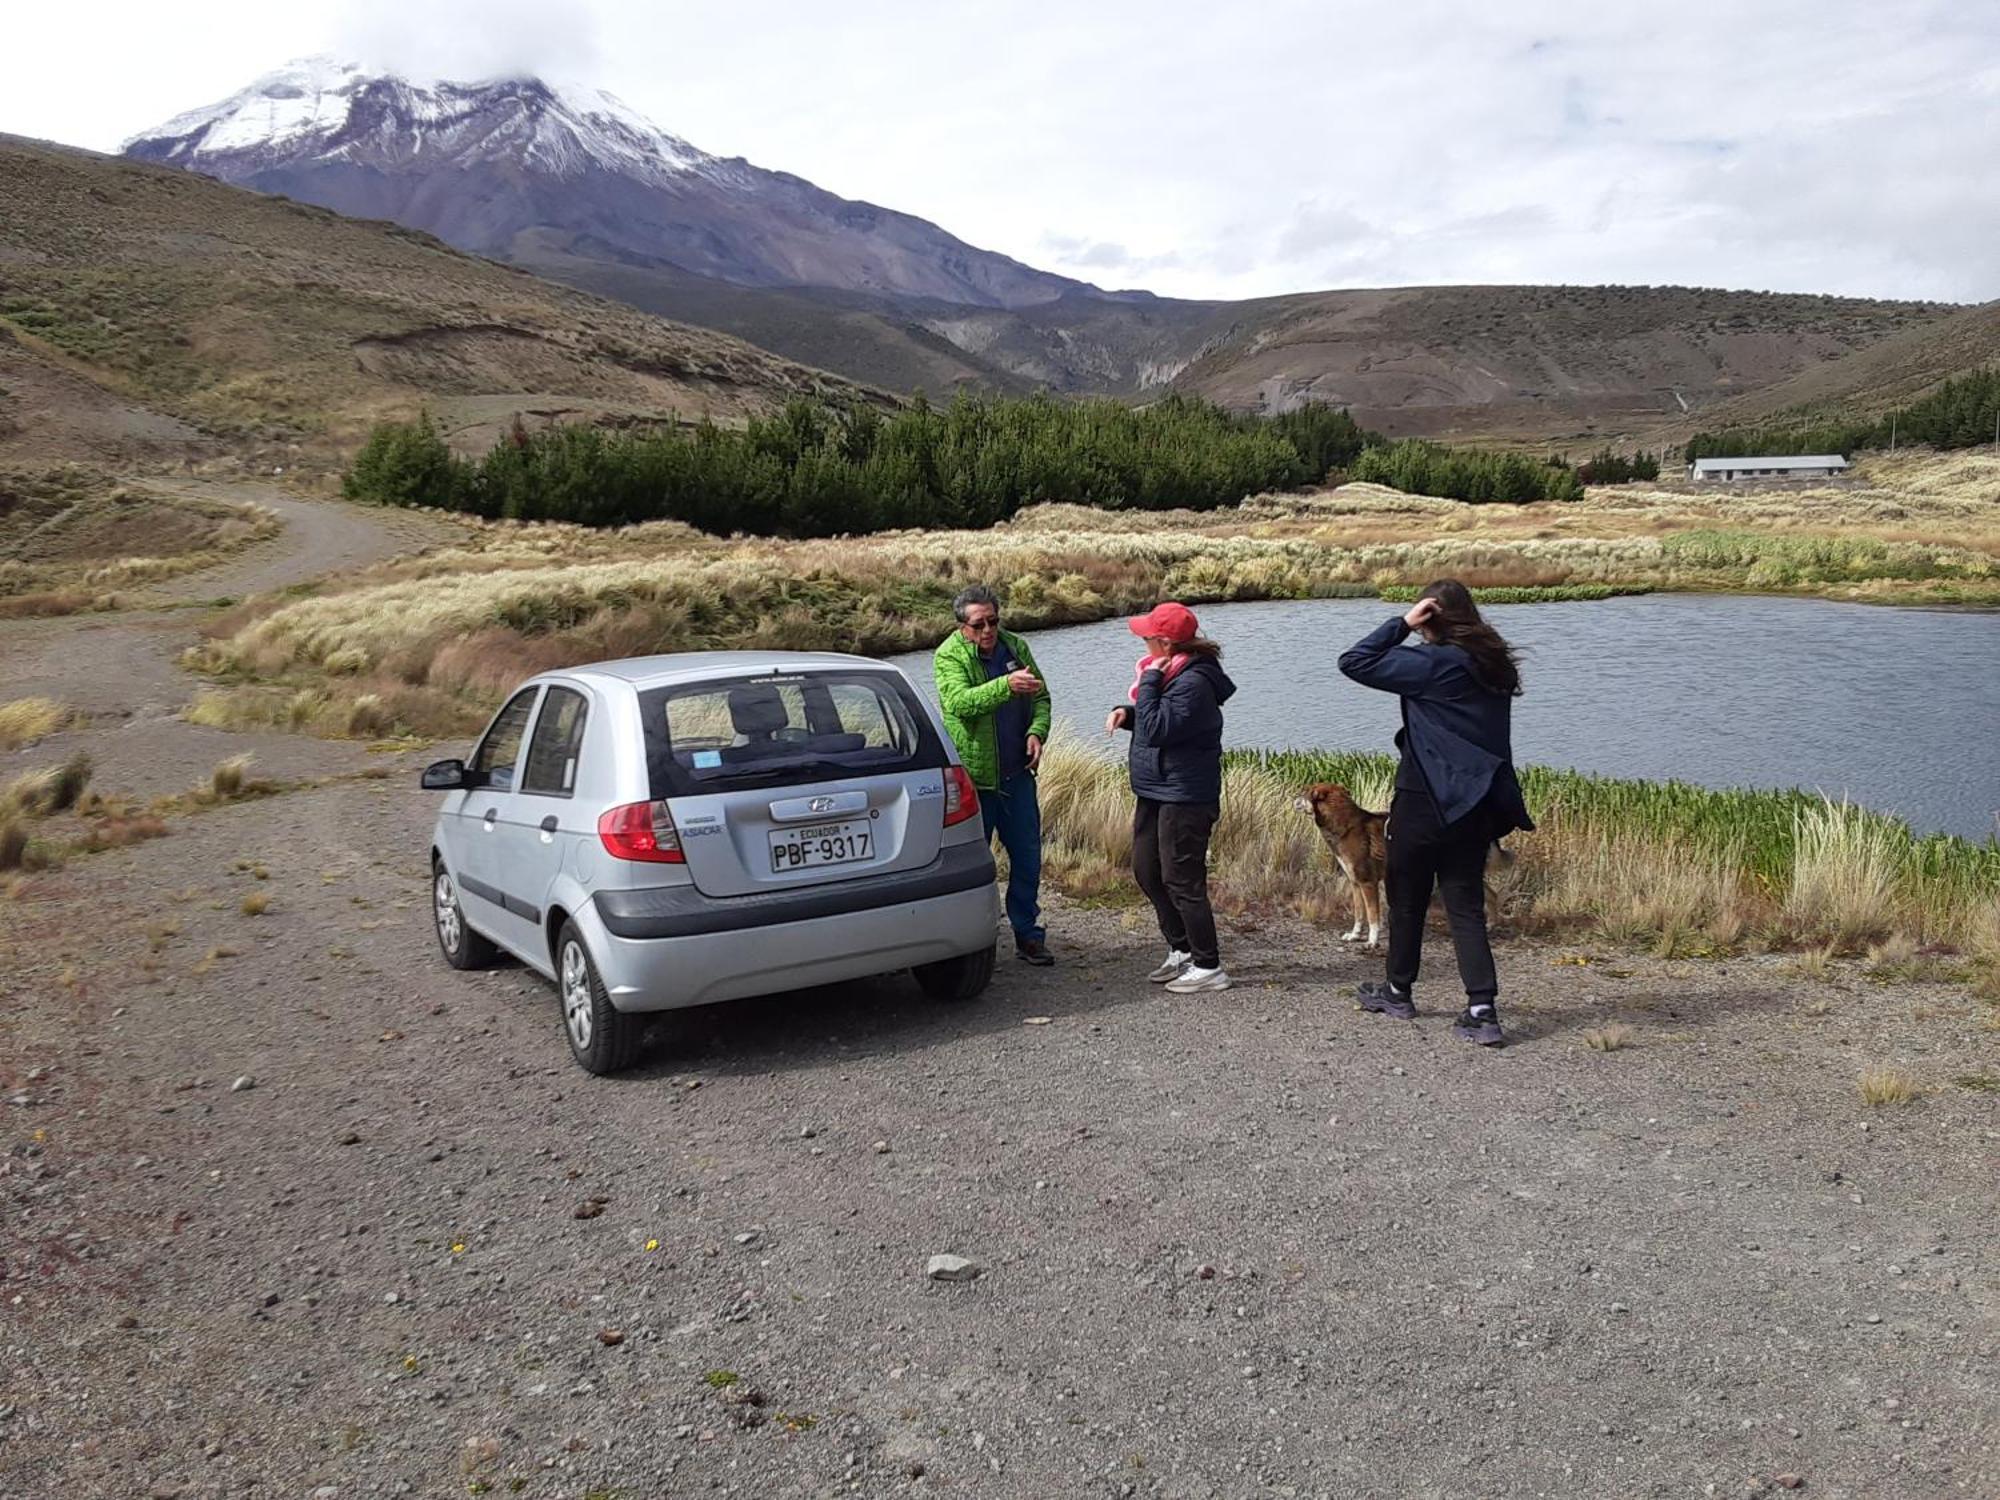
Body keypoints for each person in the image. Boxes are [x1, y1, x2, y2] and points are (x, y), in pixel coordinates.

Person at [1337, 579, 1535, 1046]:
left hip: (1423, 799)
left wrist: (1401, 625)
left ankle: (1398, 991)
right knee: (1464, 904)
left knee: (1407, 898)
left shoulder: (1434, 663)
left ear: (1431, 616)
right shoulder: (1493, 665)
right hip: (1475, 802)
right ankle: (1482, 1010)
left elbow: (1354, 662)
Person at [1105, 601, 1237, 994]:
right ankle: (1181, 950)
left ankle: (1208, 965)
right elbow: (1156, 721)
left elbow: (1161, 728)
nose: (1142, 644)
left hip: (1185, 795)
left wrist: (1147, 686)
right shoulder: (1173, 673)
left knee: (1182, 879)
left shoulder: (1194, 681)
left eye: (1147, 638)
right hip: (1156, 789)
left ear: (1164, 643)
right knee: (1148, 870)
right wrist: (1127, 715)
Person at [934, 584, 1056, 965]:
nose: (988, 630)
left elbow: (1040, 698)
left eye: (994, 621)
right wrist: (1005, 685)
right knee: (975, 863)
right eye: (979, 624)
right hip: (975, 781)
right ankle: (971, 940)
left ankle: (1027, 933)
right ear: (961, 627)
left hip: (1017, 775)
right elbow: (959, 703)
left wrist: (1037, 732)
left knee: (1027, 857)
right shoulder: (948, 656)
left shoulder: (1015, 647)